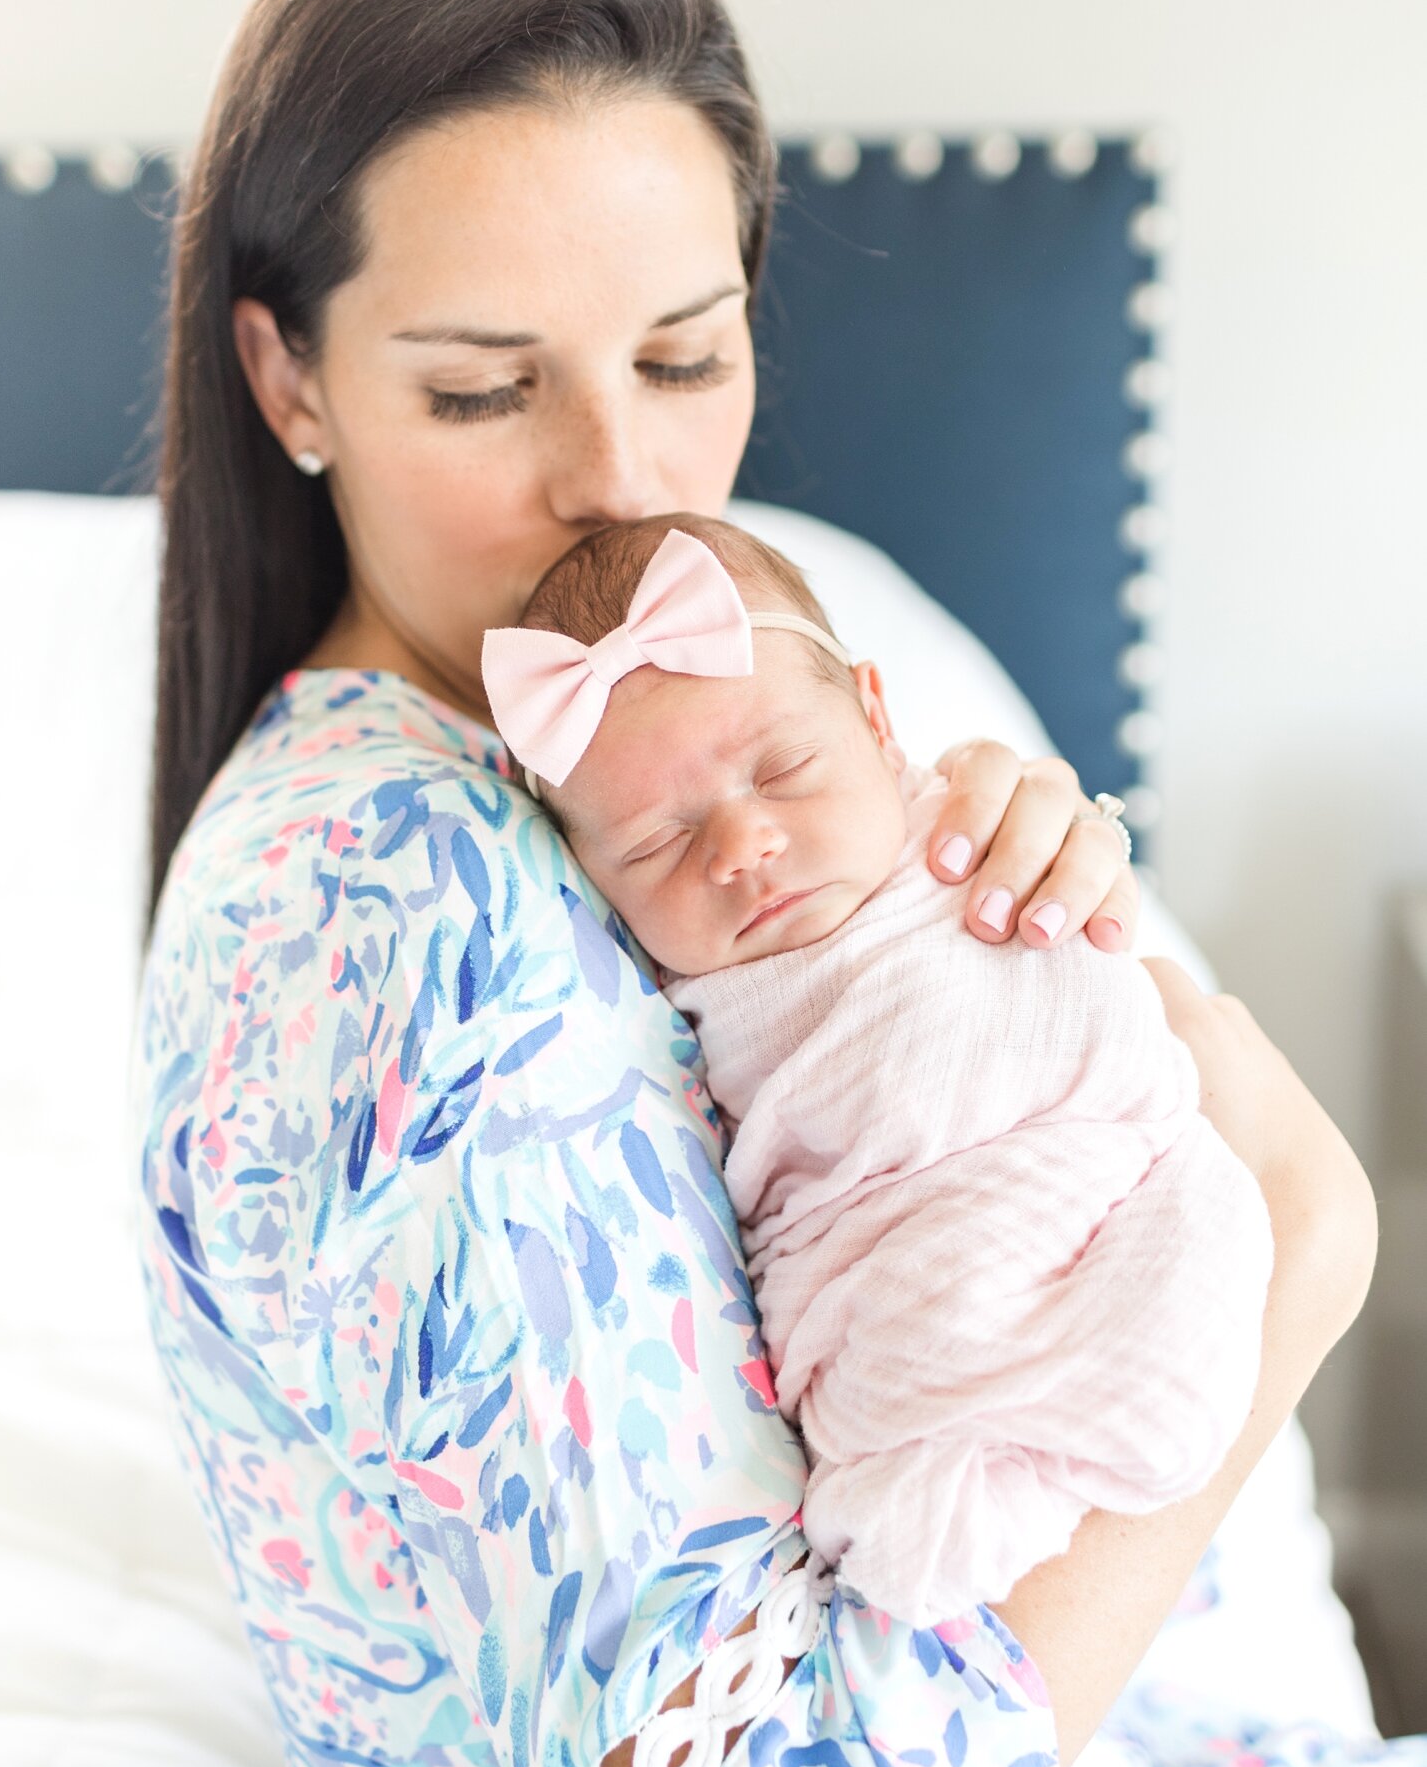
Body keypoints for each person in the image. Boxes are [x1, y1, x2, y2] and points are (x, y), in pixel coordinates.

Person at [133, 0, 1419, 1767]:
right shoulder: (395, 924)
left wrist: (991, 972)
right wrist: (1290, 1235)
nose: (624, 485)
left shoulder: (580, 769)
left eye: (683, 351)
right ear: (289, 379)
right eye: (483, 390)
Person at [478, 511, 1275, 1626]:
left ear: (877, 719)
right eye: (656, 843)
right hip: (879, 1251)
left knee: (1222, 1211)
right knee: (915, 1413)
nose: (740, 845)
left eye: (786, 769)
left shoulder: (973, 825)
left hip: (1085, 1156)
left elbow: (1124, 1024)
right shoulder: (657, 999)